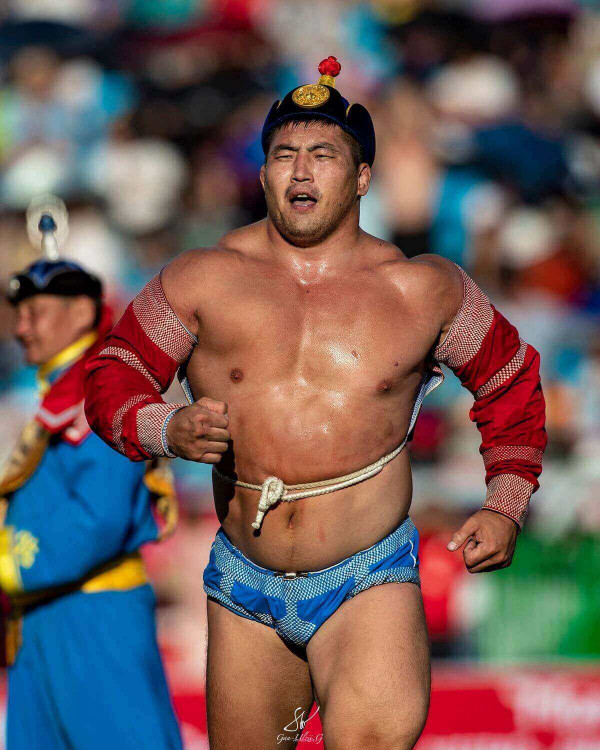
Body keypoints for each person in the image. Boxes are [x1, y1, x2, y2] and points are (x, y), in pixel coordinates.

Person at [85, 57, 547, 749]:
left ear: (361, 177)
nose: (301, 171)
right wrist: (165, 427)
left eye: (323, 155)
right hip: (244, 580)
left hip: (369, 574)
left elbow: (509, 380)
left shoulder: (423, 289)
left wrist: (505, 502)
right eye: (284, 155)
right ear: (263, 174)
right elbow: (114, 374)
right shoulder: (200, 278)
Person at [0, 206, 183, 749]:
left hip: (91, 615)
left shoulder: (99, 393)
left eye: (35, 312)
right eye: (19, 313)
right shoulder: (55, 395)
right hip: (42, 617)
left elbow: (100, 517)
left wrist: (12, 564)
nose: (21, 328)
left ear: (82, 311)